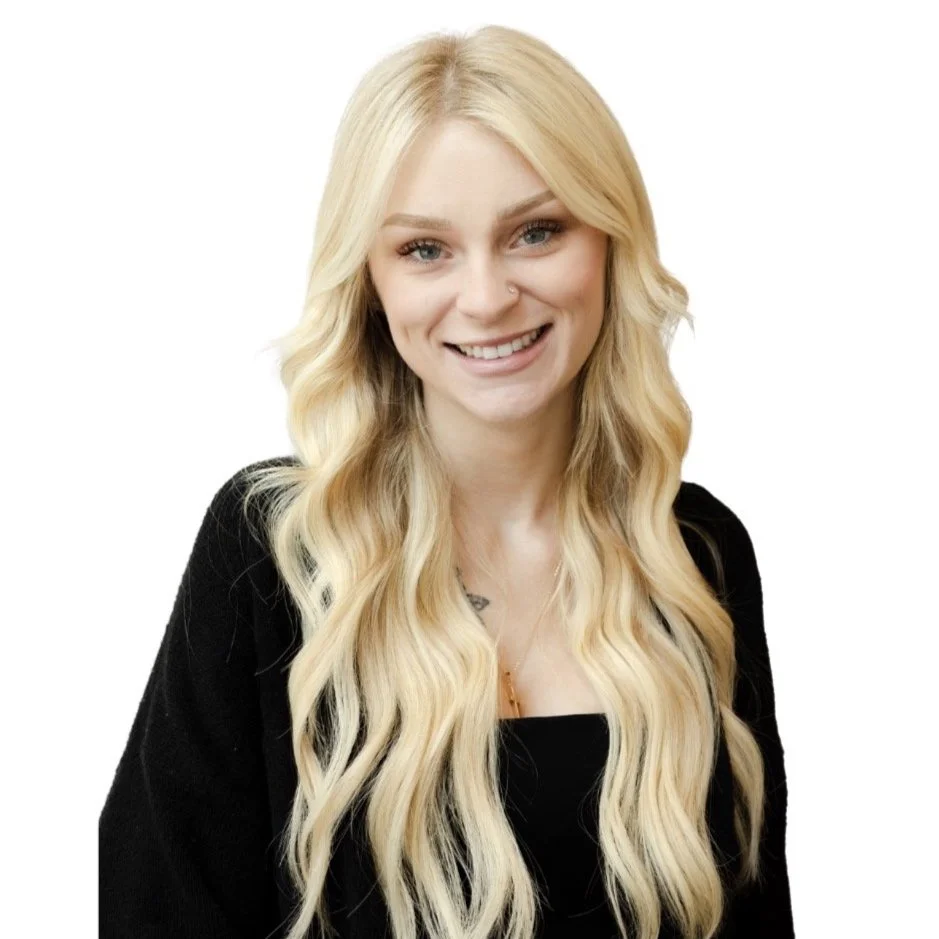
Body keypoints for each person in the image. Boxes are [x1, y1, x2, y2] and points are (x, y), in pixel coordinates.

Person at [99, 24, 795, 939]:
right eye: (425, 249)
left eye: (535, 232)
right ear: (370, 281)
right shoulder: (274, 552)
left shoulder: (694, 553)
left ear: (608, 242)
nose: (486, 297)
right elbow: (158, 909)